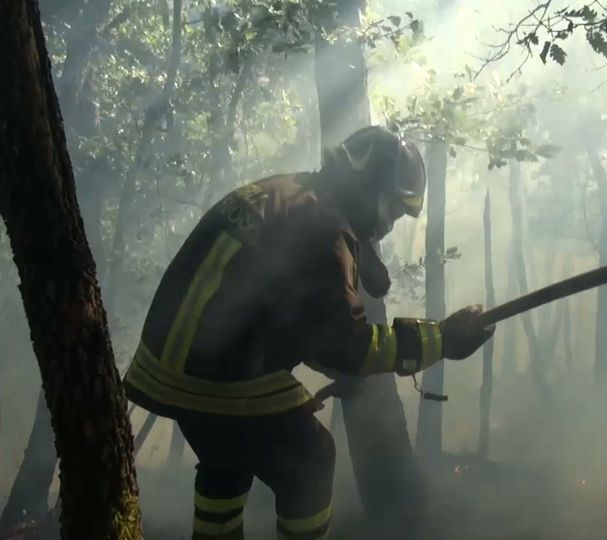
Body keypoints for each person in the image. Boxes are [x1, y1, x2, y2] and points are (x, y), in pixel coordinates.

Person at [123, 125, 494, 540]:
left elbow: (291, 314)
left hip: (166, 365)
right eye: (391, 208)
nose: (389, 225)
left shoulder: (288, 193)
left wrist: (335, 361)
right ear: (367, 185)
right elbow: (348, 347)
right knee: (312, 458)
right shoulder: (324, 230)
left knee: (226, 458)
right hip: (220, 377)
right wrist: (441, 339)